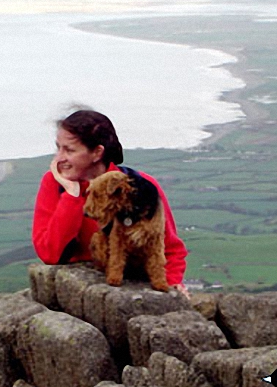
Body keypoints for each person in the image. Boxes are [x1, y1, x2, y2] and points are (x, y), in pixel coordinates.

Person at [32, 105, 189, 297]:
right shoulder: (53, 183)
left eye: (69, 150)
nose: (59, 158)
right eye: (58, 148)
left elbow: (170, 248)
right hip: (79, 289)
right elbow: (51, 255)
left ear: (97, 153)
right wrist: (71, 195)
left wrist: (172, 285)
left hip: (133, 287)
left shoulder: (141, 186)